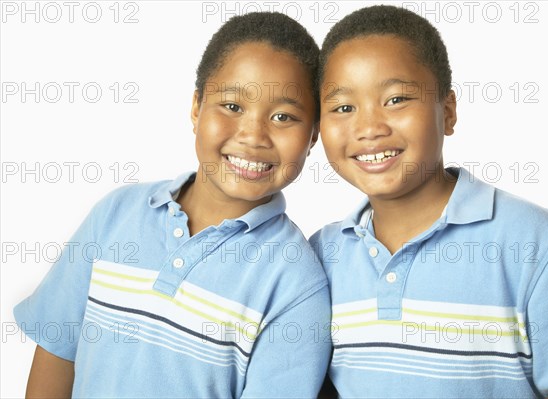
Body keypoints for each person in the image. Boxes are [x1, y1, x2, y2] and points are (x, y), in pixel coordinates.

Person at [14, 12, 331, 398]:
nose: (253, 135)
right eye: (232, 106)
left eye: (284, 116)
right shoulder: (116, 214)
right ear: (196, 108)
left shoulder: (298, 283)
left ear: (313, 136)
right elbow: (57, 354)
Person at [310, 5, 548, 398]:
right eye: (344, 108)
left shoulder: (540, 246)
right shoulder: (320, 256)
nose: (369, 128)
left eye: (396, 99)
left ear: (447, 112)